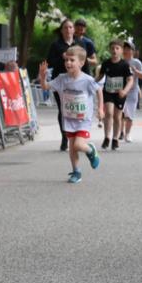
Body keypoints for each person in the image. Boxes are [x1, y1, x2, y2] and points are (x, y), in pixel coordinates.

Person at [38, 45, 102, 183]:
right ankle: (76, 172)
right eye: (66, 60)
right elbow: (45, 87)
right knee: (72, 147)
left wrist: (100, 109)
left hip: (83, 119)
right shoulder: (62, 79)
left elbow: (99, 90)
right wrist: (42, 77)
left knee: (79, 145)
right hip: (69, 119)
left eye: (72, 60)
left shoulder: (87, 80)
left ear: (81, 62)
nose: (68, 63)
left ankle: (90, 150)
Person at [45, 18, 79, 151]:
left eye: (70, 27)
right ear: (61, 30)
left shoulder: (79, 44)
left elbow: (84, 62)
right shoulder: (56, 45)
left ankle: (75, 135)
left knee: (74, 109)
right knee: (63, 110)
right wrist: (62, 57)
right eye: (65, 28)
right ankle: (65, 137)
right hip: (60, 81)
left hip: (76, 81)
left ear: (74, 30)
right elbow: (49, 62)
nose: (68, 30)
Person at [96, 39, 135, 150]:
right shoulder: (106, 63)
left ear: (121, 51)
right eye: (112, 48)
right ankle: (107, 137)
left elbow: (130, 80)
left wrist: (125, 91)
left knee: (118, 117)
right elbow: (100, 77)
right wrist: (91, 83)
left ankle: (115, 139)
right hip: (108, 92)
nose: (114, 50)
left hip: (120, 94)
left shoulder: (124, 65)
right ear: (109, 50)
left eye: (117, 48)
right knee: (108, 113)